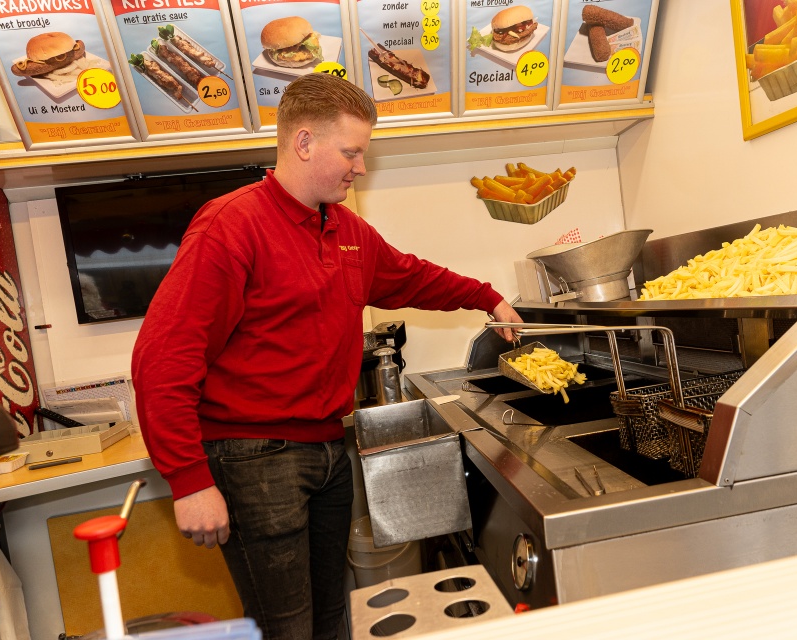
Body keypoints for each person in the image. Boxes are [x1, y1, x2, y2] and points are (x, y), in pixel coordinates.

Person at [131, 72, 522, 640]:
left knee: (332, 617)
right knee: (287, 628)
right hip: (254, 459)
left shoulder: (345, 229)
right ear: (304, 142)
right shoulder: (231, 224)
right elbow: (164, 357)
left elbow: (411, 276)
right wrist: (189, 480)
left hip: (326, 452)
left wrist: (488, 297)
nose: (360, 167)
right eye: (352, 152)